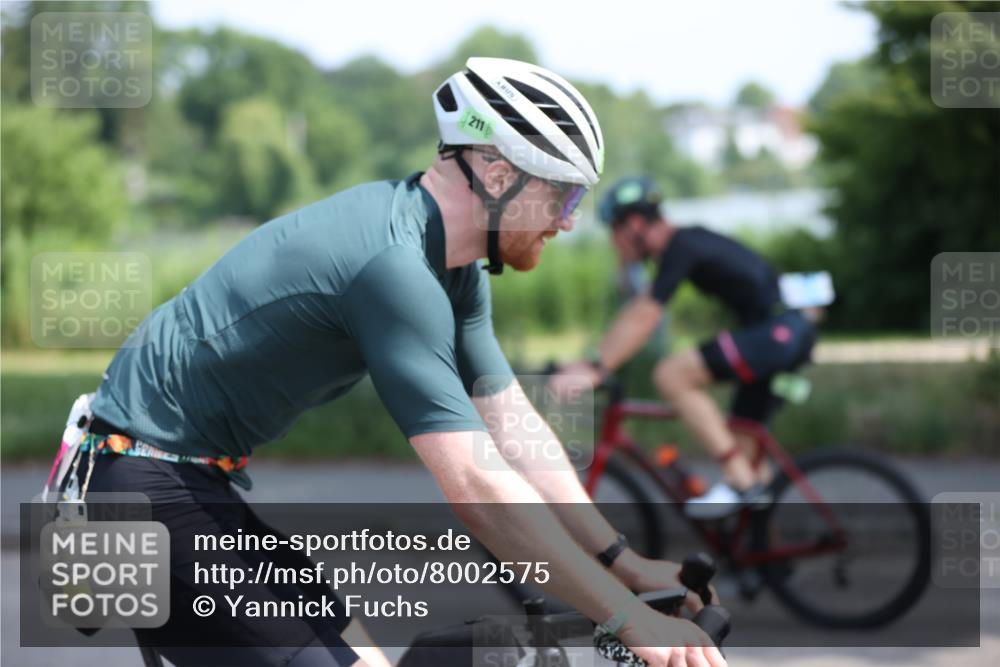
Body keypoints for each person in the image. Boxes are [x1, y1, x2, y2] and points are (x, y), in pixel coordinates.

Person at [58, 61, 726, 667]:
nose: (570, 221)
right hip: (137, 487)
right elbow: (473, 481)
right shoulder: (395, 269)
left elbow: (515, 428)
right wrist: (623, 614)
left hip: (165, 480)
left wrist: (624, 563)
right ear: (499, 175)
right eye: (565, 197)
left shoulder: (452, 266)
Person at [549, 176, 819, 520]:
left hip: (776, 332)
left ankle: (739, 483)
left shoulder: (681, 245)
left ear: (633, 224)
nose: (614, 244)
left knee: (672, 374)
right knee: (744, 450)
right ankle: (764, 560)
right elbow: (637, 308)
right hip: (785, 330)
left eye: (613, 232)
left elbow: (645, 315)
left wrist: (595, 368)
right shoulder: (687, 243)